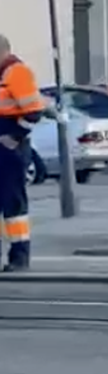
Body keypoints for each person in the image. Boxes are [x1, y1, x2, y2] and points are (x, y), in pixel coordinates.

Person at [0, 34, 43, 271]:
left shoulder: (17, 73)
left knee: (13, 204)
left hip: (10, 149)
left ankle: (19, 257)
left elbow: (33, 112)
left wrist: (15, 137)